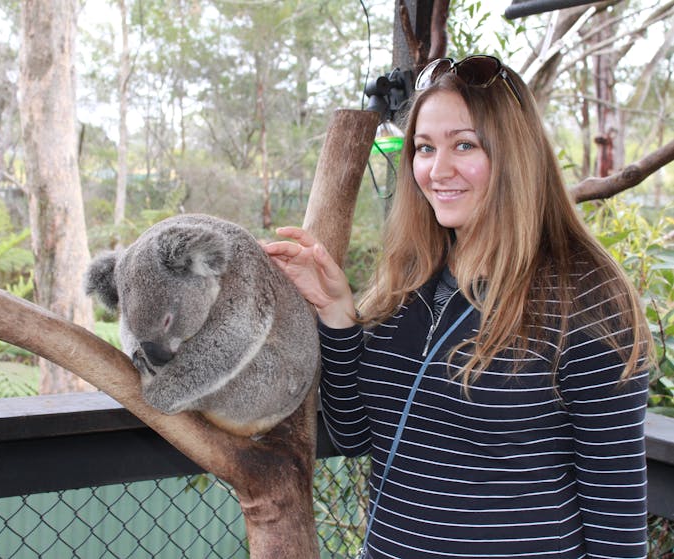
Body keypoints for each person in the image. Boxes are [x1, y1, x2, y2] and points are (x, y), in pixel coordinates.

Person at [263, 55, 651, 559]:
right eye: (424, 148)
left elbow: (616, 516)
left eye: (463, 145)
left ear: (514, 154)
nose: (437, 170)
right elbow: (356, 432)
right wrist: (338, 313)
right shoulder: (411, 279)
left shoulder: (585, 296)